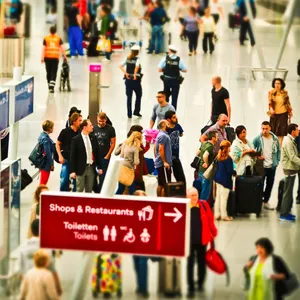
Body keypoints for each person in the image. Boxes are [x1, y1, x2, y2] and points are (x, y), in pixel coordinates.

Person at [186, 187, 218, 298]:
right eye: (192, 195)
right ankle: (190, 286)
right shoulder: (184, 207)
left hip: (202, 240)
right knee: (190, 264)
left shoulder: (203, 205)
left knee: (201, 262)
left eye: (196, 195)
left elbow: (210, 220)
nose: (195, 197)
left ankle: (200, 283)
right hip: (189, 241)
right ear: (187, 196)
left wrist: (213, 233)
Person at [21, 220, 62, 296]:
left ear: (32, 230)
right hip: (44, 291)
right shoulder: (47, 247)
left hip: (29, 291)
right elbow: (53, 271)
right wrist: (58, 288)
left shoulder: (23, 247)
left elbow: (21, 272)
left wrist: (27, 287)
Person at [253, 121, 281, 210]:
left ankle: (266, 202)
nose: (264, 131)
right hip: (261, 166)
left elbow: (279, 151)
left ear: (270, 128)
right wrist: (258, 156)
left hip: (272, 166)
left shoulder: (275, 139)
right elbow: (252, 151)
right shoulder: (257, 139)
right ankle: (258, 201)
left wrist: (277, 161)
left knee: (270, 184)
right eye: (263, 129)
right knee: (260, 184)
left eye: (266, 129)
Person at [70, 119, 103, 193]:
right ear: (85, 127)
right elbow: (73, 156)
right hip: (80, 169)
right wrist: (72, 171)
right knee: (79, 190)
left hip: (91, 168)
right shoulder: (76, 140)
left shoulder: (93, 138)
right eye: (90, 125)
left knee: (89, 190)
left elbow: (97, 153)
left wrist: (100, 167)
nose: (92, 127)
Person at [56, 112, 82, 192]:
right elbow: (57, 144)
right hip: (66, 159)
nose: (81, 122)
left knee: (76, 182)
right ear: (74, 121)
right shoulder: (65, 131)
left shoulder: (81, 132)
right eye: (79, 121)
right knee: (64, 180)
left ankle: (74, 198)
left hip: (77, 161)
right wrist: (60, 155)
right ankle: (62, 196)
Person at [279, 123, 300, 222]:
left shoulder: (290, 140)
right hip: (289, 169)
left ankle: (287, 212)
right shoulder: (288, 142)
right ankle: (283, 214)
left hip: (291, 169)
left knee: (289, 191)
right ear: (293, 131)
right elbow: (292, 157)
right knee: (287, 193)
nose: (298, 131)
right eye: (297, 129)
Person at [158, 45, 187, 110]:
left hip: (166, 80)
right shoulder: (179, 60)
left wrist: (166, 70)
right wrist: (178, 69)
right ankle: (172, 112)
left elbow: (159, 69)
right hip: (175, 80)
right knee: (174, 97)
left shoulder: (165, 59)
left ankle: (165, 109)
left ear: (169, 51)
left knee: (166, 96)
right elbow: (185, 70)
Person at [93, 112, 116, 193]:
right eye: (100, 121)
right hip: (95, 157)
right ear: (97, 119)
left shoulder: (110, 129)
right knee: (93, 176)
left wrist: (107, 156)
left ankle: (101, 192)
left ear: (106, 120)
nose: (101, 123)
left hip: (104, 156)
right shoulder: (94, 128)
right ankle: (96, 191)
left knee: (103, 177)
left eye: (103, 121)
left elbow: (113, 143)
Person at [132, 189, 150, 298]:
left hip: (144, 242)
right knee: (136, 263)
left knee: (143, 262)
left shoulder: (148, 210)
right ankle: (140, 285)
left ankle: (143, 288)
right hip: (134, 241)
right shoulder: (132, 210)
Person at [268, 78, 293, 147]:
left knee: (281, 132)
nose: (277, 85)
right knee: (273, 131)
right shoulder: (271, 92)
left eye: (279, 83)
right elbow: (269, 102)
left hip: (283, 113)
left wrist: (290, 112)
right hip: (274, 115)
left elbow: (287, 103)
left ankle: (280, 146)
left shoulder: (285, 93)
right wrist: (271, 109)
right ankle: (274, 146)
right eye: (276, 83)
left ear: (281, 84)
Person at [119, 45, 143, 118]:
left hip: (128, 79)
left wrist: (126, 73)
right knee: (139, 95)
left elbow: (120, 65)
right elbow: (137, 67)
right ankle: (136, 111)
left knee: (129, 97)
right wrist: (135, 75)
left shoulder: (127, 58)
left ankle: (129, 113)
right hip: (135, 80)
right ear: (137, 52)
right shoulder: (137, 59)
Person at [41, 26, 66, 93]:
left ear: (50, 31)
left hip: (47, 58)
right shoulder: (58, 39)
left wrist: (42, 57)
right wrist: (65, 56)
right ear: (55, 31)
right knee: (53, 72)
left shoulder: (46, 39)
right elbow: (62, 48)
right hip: (55, 58)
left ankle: (50, 84)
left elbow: (43, 48)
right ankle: (51, 87)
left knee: (48, 72)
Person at [214, 140, 235, 221]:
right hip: (225, 181)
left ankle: (217, 214)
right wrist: (234, 172)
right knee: (224, 198)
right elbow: (230, 170)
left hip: (218, 179)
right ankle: (224, 215)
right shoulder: (228, 158)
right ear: (227, 147)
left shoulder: (218, 156)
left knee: (218, 198)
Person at [165, 110, 186, 184]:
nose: (176, 118)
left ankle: (181, 190)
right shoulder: (165, 129)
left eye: (176, 116)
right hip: (167, 157)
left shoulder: (177, 126)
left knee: (180, 177)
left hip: (176, 156)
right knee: (167, 178)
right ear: (168, 119)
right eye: (174, 117)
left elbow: (181, 134)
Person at [155, 120, 173, 197]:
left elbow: (156, 149)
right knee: (166, 184)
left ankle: (160, 197)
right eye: (168, 124)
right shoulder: (163, 136)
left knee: (161, 183)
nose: (169, 126)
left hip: (161, 163)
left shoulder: (160, 134)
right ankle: (164, 199)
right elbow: (161, 149)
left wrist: (157, 158)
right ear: (163, 125)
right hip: (164, 164)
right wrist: (164, 162)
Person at [198, 131, 218, 201]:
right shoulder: (210, 146)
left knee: (201, 189)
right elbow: (205, 155)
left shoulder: (204, 144)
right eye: (216, 136)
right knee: (206, 190)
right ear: (213, 138)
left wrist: (202, 161)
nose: (217, 138)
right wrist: (206, 163)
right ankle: (203, 206)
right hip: (206, 171)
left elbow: (197, 152)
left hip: (200, 170)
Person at [38, 120, 55, 185]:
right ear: (49, 128)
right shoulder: (46, 139)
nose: (53, 129)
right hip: (46, 164)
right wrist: (51, 164)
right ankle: (39, 194)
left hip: (42, 162)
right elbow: (48, 152)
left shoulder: (42, 135)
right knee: (43, 183)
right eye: (52, 127)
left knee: (43, 182)